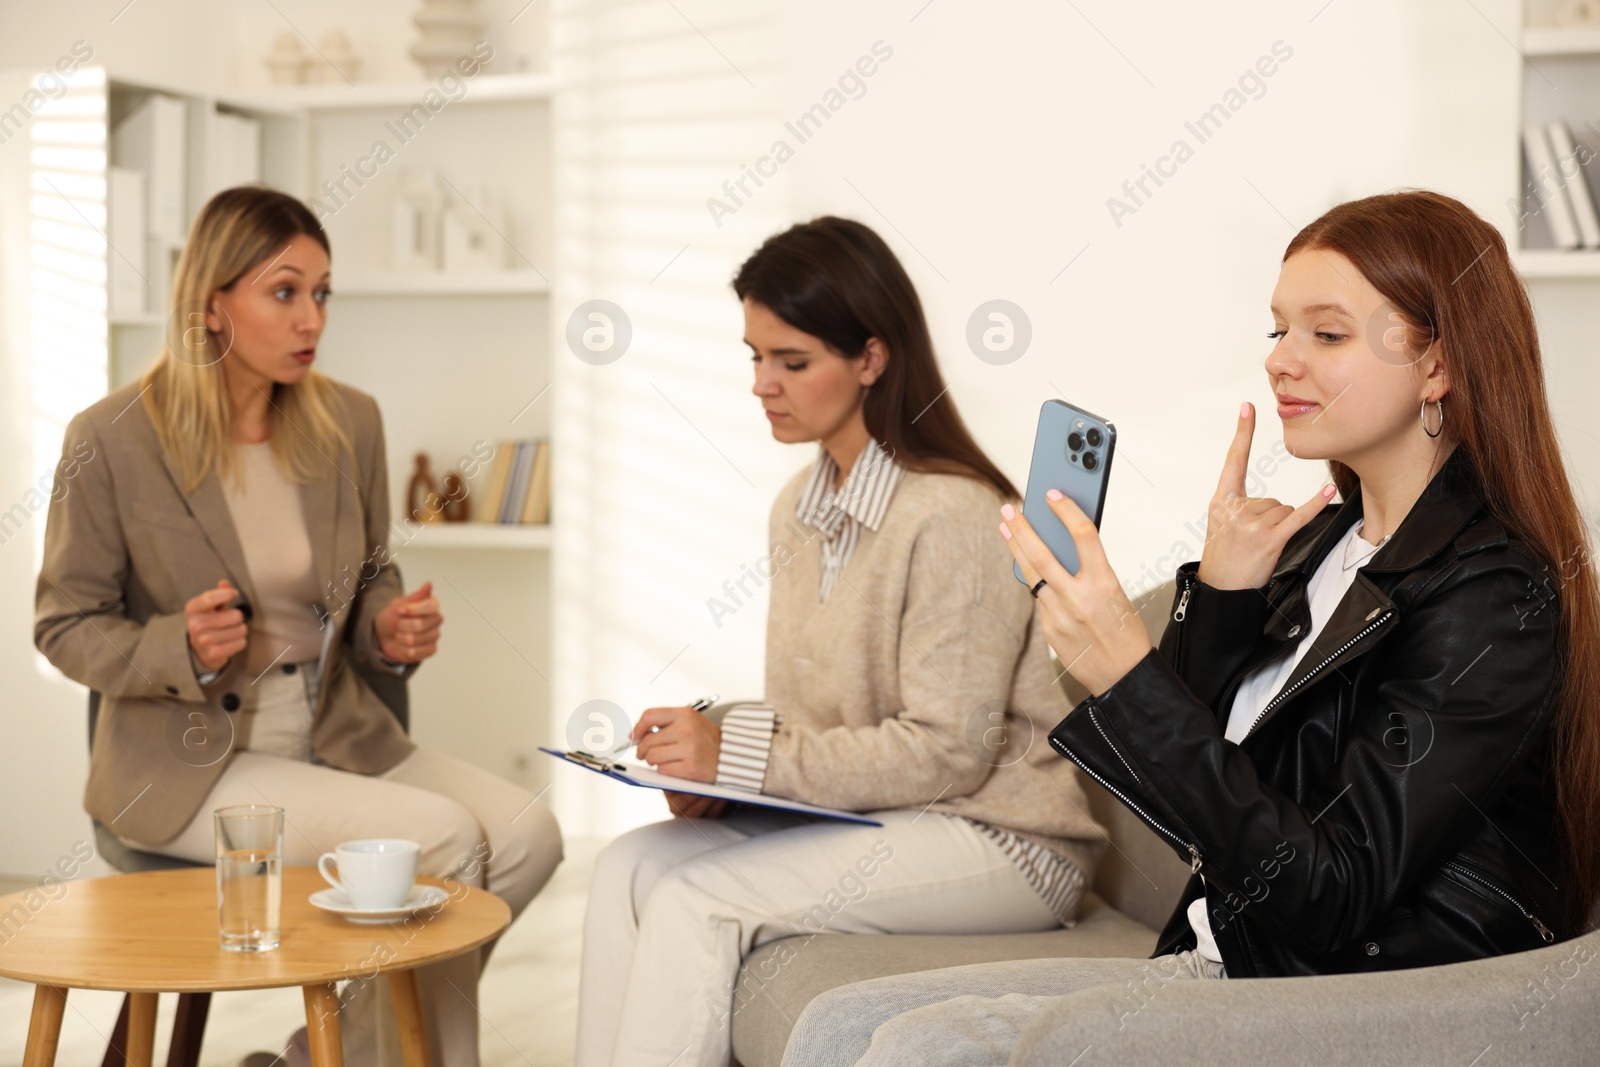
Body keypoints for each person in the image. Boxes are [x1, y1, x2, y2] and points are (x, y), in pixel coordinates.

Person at [778, 189, 1600, 1065]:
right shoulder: (1318, 546)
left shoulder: (1493, 593)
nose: (1282, 361)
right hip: (1232, 955)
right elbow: (1194, 814)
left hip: (1357, 990)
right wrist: (1219, 599)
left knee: (922, 1046)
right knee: (837, 1024)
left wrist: (1130, 676)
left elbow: (1333, 892)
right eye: (1278, 329)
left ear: (1437, 366)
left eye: (1326, 334)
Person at [33, 186, 563, 1067]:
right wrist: (174, 643)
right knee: (441, 839)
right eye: (284, 292)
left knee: (525, 836)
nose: (311, 316)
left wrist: (386, 626)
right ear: (213, 303)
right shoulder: (112, 438)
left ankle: (338, 1051)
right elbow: (63, 626)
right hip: (189, 764)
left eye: (322, 292)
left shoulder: (348, 421)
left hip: (335, 727)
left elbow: (367, 578)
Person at [572, 216, 1107, 1067]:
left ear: (871, 358)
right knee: (629, 866)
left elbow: (946, 754)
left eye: (792, 361)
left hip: (1000, 836)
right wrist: (718, 768)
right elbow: (819, 714)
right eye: (755, 356)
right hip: (880, 817)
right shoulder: (800, 505)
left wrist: (743, 757)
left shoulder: (954, 514)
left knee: (695, 899)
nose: (762, 384)